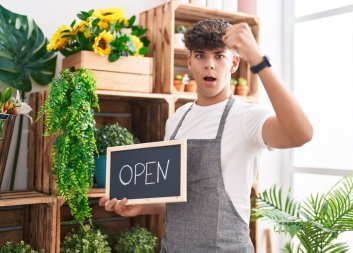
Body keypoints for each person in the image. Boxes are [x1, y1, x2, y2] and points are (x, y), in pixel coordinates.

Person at [99, 19, 313, 252]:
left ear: (234, 63)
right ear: (189, 62)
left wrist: (259, 62)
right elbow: (183, 197)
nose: (209, 65)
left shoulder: (247, 118)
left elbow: (301, 133)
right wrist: (142, 207)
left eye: (219, 56)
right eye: (200, 55)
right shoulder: (177, 120)